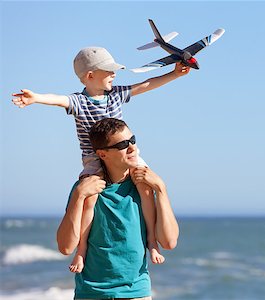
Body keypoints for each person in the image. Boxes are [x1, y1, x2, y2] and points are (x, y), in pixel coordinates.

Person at [12, 46, 189, 272]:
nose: (114, 75)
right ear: (90, 76)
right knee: (90, 199)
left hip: (125, 152)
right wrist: (35, 98)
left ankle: (152, 244)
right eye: (109, 71)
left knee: (146, 188)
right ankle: (81, 252)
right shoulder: (78, 101)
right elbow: (58, 100)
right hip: (94, 159)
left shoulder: (116, 94)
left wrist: (174, 74)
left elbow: (145, 85)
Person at [57, 118, 179, 300]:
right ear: (103, 154)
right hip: (91, 294)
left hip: (137, 293)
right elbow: (66, 247)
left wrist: (161, 188)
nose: (132, 148)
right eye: (123, 144)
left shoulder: (144, 185)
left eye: (132, 140)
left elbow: (169, 243)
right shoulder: (86, 188)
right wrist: (78, 196)